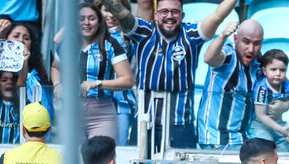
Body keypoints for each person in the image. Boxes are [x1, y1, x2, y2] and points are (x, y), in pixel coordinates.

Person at [98, 0, 241, 149]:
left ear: (182, 15)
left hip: (181, 125)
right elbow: (119, 11)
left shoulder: (191, 34)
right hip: (145, 122)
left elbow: (218, 15)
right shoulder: (143, 31)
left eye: (175, 12)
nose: (169, 16)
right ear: (155, 14)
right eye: (164, 11)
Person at [51, 3, 132, 141]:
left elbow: (127, 80)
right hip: (71, 110)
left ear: (100, 21)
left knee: (102, 157)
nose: (86, 23)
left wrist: (97, 83)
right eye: (81, 18)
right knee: (73, 158)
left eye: (91, 18)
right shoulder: (67, 44)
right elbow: (55, 67)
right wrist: (57, 84)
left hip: (102, 111)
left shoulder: (111, 44)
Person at [198, 20, 264, 149]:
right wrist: (222, 35)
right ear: (235, 39)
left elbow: (284, 87)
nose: (251, 49)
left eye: (256, 44)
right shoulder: (229, 54)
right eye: (246, 41)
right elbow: (209, 58)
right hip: (216, 139)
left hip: (241, 139)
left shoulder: (259, 62)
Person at [0, 20, 53, 118]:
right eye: (16, 36)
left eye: (26, 38)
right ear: (6, 40)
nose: (21, 40)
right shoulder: (0, 70)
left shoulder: (37, 73)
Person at [247, 49, 289, 152]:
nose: (278, 73)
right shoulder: (263, 88)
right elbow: (261, 116)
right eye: (273, 69)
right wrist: (281, 130)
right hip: (259, 125)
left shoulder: (287, 87)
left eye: (282, 70)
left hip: (279, 124)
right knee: (267, 148)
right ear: (265, 71)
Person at [100, 0, 138, 146]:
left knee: (120, 149)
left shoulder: (128, 35)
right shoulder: (90, 34)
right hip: (97, 101)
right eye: (106, 10)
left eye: (116, 10)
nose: (111, 14)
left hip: (121, 102)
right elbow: (57, 39)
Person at [0, 62, 27, 144]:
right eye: (4, 80)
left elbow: (22, 82)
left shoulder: (20, 105)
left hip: (13, 152)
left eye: (12, 80)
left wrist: (25, 61)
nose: (9, 82)